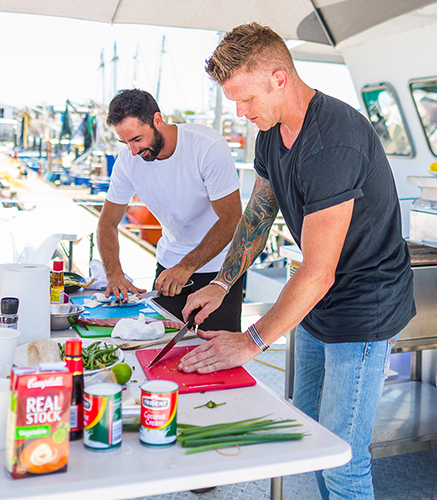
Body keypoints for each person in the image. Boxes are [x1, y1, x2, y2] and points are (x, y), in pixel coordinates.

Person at [179, 23, 415, 499]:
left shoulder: (332, 141)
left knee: (343, 456)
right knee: (308, 434)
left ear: (279, 78)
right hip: (315, 301)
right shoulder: (272, 132)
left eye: (246, 100)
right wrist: (222, 283)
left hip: (362, 307)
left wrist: (251, 341)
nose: (241, 113)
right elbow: (259, 213)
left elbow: (319, 271)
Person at [97, 89, 244, 331]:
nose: (133, 151)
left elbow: (231, 219)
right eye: (125, 143)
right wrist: (115, 275)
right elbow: (107, 222)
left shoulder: (207, 146)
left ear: (157, 120)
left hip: (220, 272)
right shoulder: (127, 160)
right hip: (169, 270)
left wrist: (187, 266)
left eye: (137, 139)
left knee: (215, 354)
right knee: (163, 350)